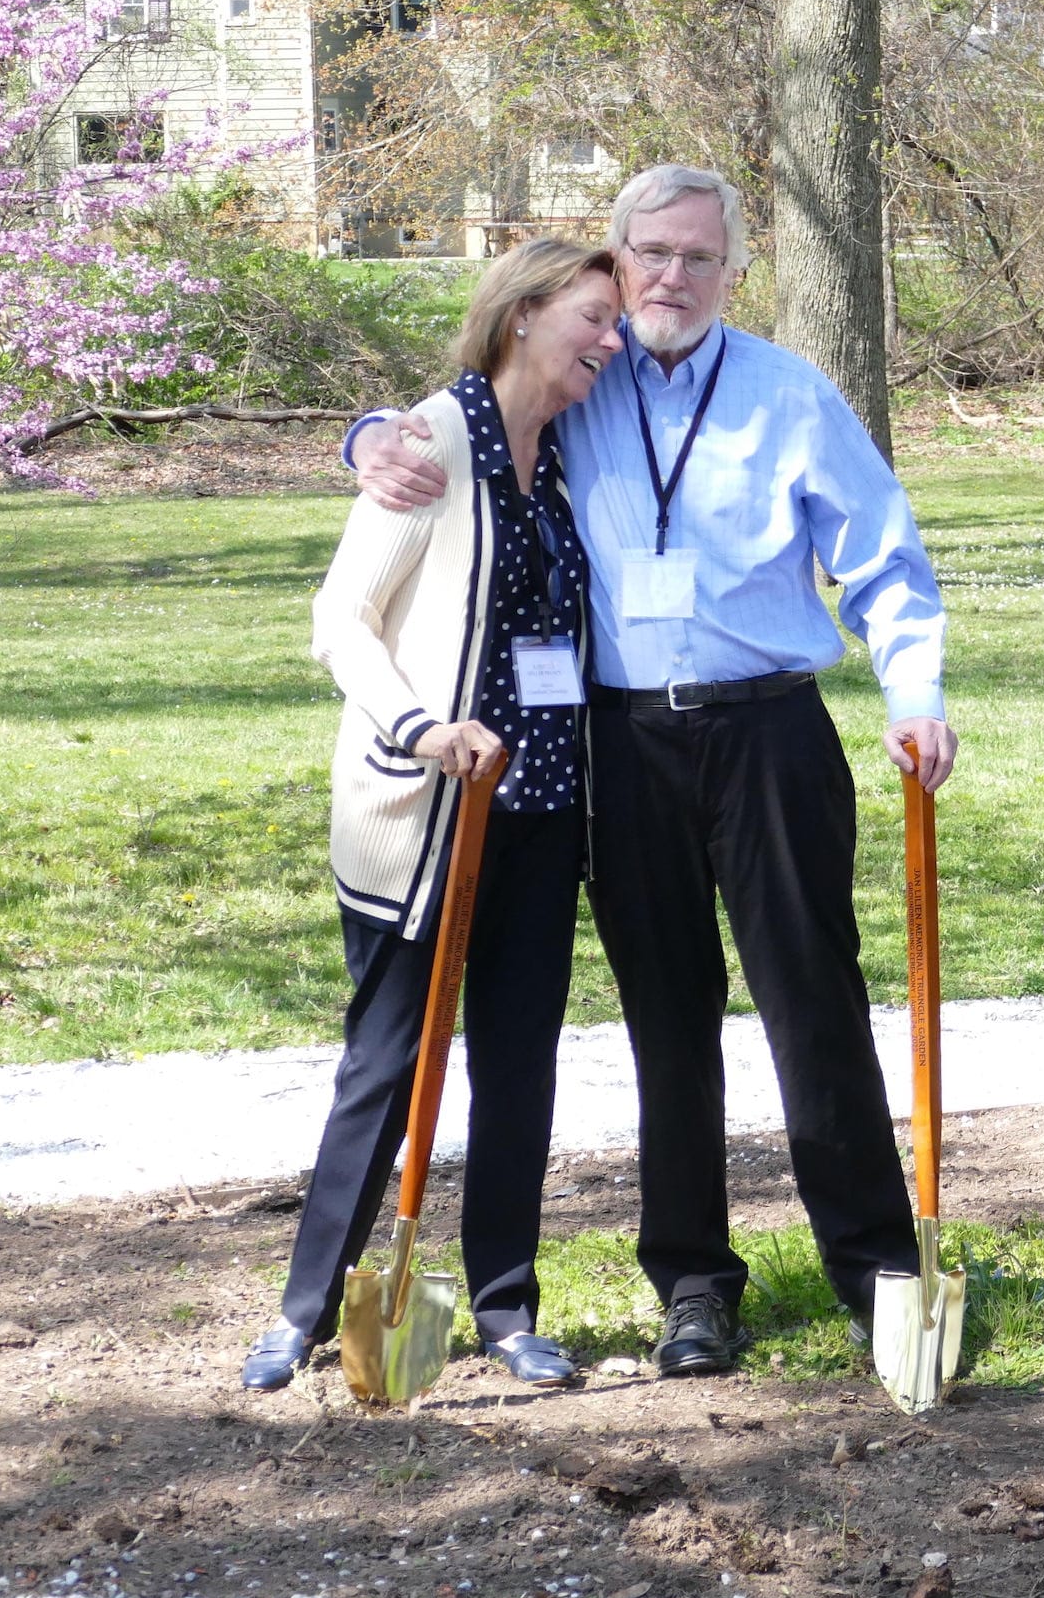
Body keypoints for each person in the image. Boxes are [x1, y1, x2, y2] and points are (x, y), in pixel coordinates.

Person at [344, 164, 956, 1379]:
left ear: (734, 269)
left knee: (812, 1008)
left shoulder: (789, 393)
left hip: (768, 733)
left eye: (699, 257)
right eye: (650, 255)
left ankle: (880, 1272)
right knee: (665, 1024)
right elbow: (454, 419)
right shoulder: (581, 381)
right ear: (615, 263)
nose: (672, 277)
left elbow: (885, 561)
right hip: (622, 745)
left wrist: (915, 695)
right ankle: (693, 1283)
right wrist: (367, 440)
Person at [244, 239, 624, 1392]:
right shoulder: (431, 446)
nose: (611, 344)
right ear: (520, 316)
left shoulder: (561, 453)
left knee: (520, 1064)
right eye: (593, 320)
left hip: (541, 808)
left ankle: (507, 1308)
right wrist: (422, 727)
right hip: (425, 811)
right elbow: (340, 620)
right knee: (389, 1060)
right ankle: (307, 1310)